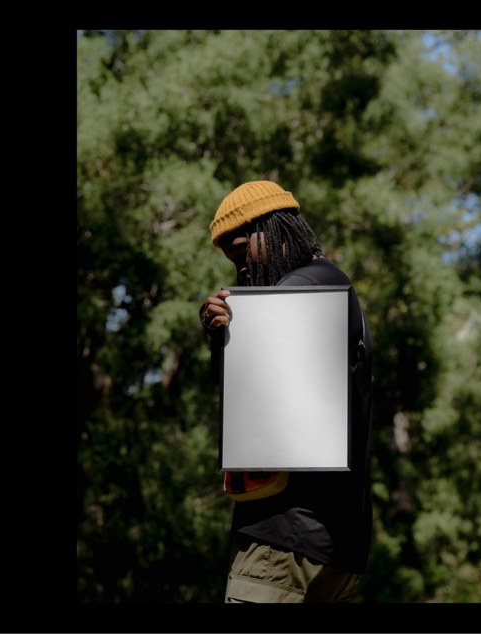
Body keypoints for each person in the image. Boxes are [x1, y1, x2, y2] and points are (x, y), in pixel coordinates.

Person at [199, 181, 373, 603]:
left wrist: (236, 335)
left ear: (273, 228)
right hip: (337, 545)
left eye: (242, 251)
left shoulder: (305, 289)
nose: (240, 266)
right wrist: (225, 336)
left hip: (282, 544)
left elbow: (253, 412)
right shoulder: (335, 289)